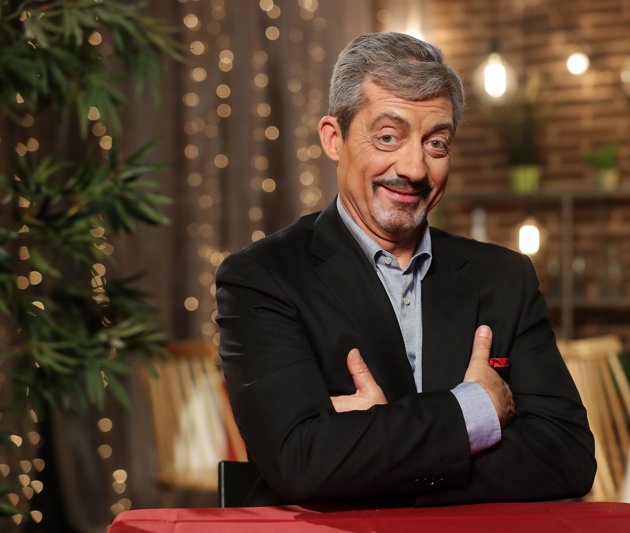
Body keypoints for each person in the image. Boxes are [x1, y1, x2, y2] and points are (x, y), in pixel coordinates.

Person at [215, 31, 595, 506]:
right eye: (388, 137)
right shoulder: (262, 277)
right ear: (334, 138)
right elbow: (302, 461)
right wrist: (475, 412)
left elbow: (568, 455)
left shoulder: (505, 277)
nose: (414, 168)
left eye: (436, 144)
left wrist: (373, 455)